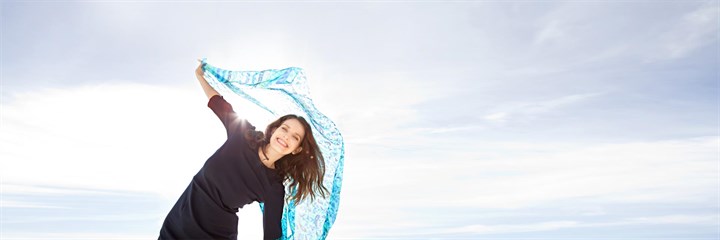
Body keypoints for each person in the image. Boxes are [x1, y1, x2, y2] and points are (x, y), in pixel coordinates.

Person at [159, 62, 329, 240]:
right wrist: (200, 77)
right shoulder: (243, 135)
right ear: (274, 129)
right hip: (177, 224)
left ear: (297, 150)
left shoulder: (273, 186)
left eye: (295, 137)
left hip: (215, 234)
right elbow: (219, 104)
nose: (286, 136)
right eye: (284, 129)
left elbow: (272, 236)